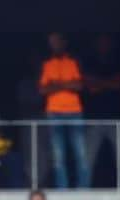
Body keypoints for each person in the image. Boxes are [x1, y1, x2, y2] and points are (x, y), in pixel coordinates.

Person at [39, 32, 90, 189]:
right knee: (58, 155)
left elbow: (80, 85)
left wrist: (56, 85)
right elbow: (42, 89)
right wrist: (67, 84)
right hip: (54, 112)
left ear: (64, 42)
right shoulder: (47, 64)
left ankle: (83, 188)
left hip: (74, 111)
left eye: (57, 41)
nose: (54, 44)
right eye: (51, 42)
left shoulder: (74, 61)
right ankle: (63, 189)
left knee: (80, 153)